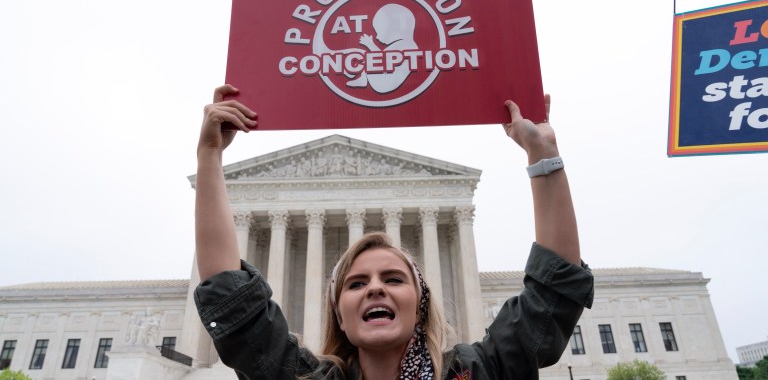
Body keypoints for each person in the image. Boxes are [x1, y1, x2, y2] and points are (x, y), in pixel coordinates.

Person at [194, 84, 594, 380]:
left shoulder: (473, 373)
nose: (374, 288)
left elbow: (552, 293)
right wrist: (209, 156)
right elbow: (233, 303)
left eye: (393, 278)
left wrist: (543, 155)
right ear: (339, 316)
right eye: (354, 284)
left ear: (420, 302)